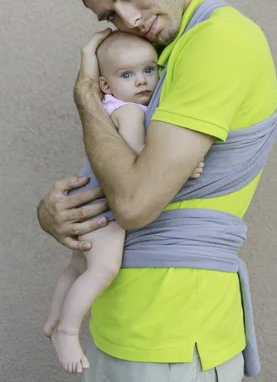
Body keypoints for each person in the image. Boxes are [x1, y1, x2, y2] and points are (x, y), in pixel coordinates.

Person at [37, 0, 277, 381]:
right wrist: (59, 214)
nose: (127, 19)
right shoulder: (166, 56)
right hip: (128, 322)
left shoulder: (218, 41)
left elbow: (131, 203)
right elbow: (115, 174)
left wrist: (87, 95)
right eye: (110, 15)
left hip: (174, 325)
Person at [44, 30, 206, 374]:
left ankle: (54, 318)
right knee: (103, 269)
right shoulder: (130, 112)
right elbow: (139, 160)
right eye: (127, 75)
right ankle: (67, 330)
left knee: (76, 268)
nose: (143, 81)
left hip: (87, 194)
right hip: (104, 206)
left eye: (149, 70)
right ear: (104, 84)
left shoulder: (110, 107)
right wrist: (184, 163)